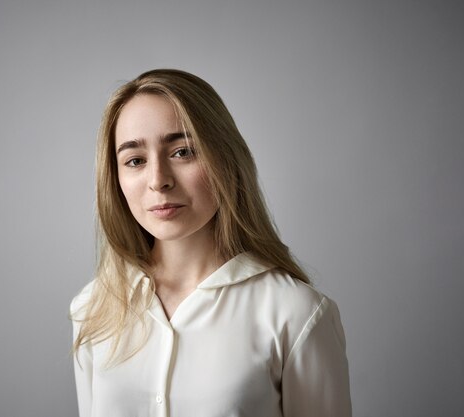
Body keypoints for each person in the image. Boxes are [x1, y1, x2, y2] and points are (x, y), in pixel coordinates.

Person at [70, 69, 351, 417]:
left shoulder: (295, 314)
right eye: (135, 160)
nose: (158, 181)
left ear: (225, 159)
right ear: (115, 177)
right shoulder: (93, 310)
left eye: (183, 152)